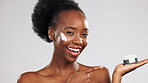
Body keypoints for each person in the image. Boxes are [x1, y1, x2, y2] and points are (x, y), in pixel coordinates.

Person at [17, 0, 148, 83]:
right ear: (52, 33)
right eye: (70, 32)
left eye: (84, 34)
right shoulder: (29, 80)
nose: (80, 41)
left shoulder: (98, 75)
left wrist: (117, 78)